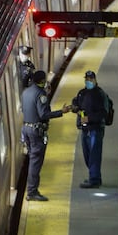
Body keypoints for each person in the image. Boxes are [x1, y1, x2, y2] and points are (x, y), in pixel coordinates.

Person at [21, 70, 71, 201]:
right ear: (42, 81)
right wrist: (62, 111)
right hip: (36, 131)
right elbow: (43, 114)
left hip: (26, 129)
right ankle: (32, 192)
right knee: (35, 162)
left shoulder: (26, 92)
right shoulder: (40, 94)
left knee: (33, 159)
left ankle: (31, 189)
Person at [71, 70, 109, 188]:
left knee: (94, 154)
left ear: (95, 80)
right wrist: (74, 107)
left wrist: (89, 118)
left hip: (95, 129)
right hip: (85, 129)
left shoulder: (100, 94)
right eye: (87, 79)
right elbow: (76, 103)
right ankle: (94, 176)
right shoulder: (82, 93)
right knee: (87, 154)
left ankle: (94, 179)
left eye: (91, 79)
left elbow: (104, 112)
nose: (88, 81)